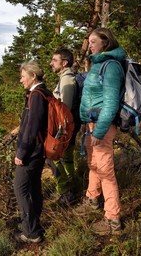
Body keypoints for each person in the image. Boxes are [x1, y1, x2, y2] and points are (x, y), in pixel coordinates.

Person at [76, 27, 125, 235]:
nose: (90, 44)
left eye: (94, 41)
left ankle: (113, 220)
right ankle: (92, 198)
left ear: (106, 42)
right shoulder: (97, 64)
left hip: (101, 126)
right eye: (89, 41)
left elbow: (111, 103)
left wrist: (98, 132)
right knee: (93, 164)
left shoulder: (111, 66)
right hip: (91, 125)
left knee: (105, 171)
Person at [14, 61, 50, 243]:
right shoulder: (44, 93)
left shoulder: (36, 95)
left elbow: (32, 127)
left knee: (20, 188)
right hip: (40, 149)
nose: (21, 80)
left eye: (23, 76)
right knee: (34, 186)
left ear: (33, 75)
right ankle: (34, 224)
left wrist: (21, 153)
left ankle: (32, 232)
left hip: (32, 151)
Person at [49, 49, 82, 207]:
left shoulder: (67, 81)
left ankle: (66, 191)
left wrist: (58, 133)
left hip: (65, 129)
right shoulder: (65, 78)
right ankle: (74, 187)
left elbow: (65, 110)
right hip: (70, 127)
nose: (51, 63)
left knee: (52, 156)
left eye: (54, 60)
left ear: (64, 63)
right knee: (67, 158)